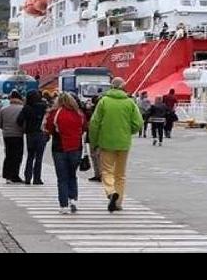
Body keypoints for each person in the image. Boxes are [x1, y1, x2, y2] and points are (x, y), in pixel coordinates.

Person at [89, 77, 144, 212]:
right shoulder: (130, 102)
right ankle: (118, 203)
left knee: (107, 171)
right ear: (123, 87)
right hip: (123, 143)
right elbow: (138, 123)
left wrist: (94, 142)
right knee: (120, 174)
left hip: (106, 142)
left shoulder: (103, 102)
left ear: (111, 87)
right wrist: (128, 131)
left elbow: (94, 124)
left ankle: (111, 191)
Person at [45, 92, 86, 214]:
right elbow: (84, 128)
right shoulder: (79, 113)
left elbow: (49, 128)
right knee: (72, 175)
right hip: (76, 148)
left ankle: (63, 206)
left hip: (60, 147)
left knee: (62, 178)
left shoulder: (55, 113)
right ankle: (73, 199)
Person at [18, 90, 49, 185]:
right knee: (39, 157)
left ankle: (27, 177)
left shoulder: (26, 108)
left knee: (30, 156)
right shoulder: (44, 107)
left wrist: (25, 127)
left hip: (30, 134)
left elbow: (19, 120)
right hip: (41, 134)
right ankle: (37, 178)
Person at [0, 90, 25, 183]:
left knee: (8, 155)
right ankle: (15, 175)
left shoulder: (4, 109)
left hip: (7, 135)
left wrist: (5, 128)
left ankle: (7, 176)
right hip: (18, 135)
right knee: (17, 156)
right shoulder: (22, 109)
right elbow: (25, 123)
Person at [85, 96, 102, 182]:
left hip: (92, 136)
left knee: (94, 156)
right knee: (98, 156)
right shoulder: (100, 111)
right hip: (100, 136)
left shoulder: (90, 111)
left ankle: (98, 174)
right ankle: (99, 174)